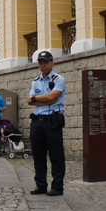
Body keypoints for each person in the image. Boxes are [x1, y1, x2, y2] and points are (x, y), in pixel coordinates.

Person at [27, 50, 66, 196]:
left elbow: (52, 97)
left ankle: (57, 186)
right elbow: (28, 100)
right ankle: (41, 185)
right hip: (37, 121)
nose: (42, 65)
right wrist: (38, 99)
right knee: (38, 155)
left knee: (56, 155)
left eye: (45, 62)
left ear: (52, 62)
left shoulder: (58, 79)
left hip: (52, 121)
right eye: (40, 63)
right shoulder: (35, 81)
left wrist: (35, 98)